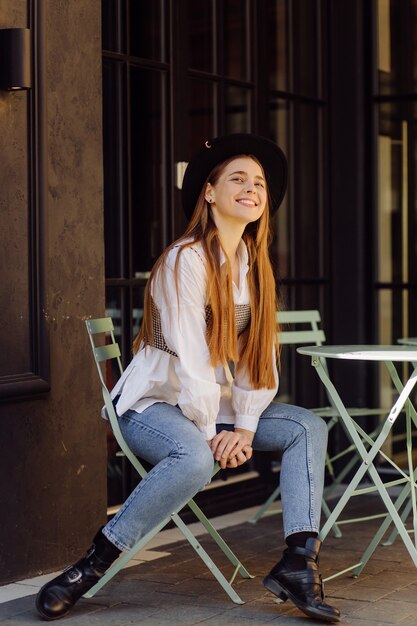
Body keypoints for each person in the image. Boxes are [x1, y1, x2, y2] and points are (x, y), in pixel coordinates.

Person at [36, 133, 340, 623]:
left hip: (212, 410)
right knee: (195, 457)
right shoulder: (185, 260)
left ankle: (298, 563)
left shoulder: (252, 265)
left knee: (308, 426)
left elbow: (256, 360)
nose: (251, 188)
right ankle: (90, 567)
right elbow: (192, 361)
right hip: (151, 406)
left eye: (258, 182)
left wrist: (242, 425)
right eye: (237, 178)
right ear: (209, 191)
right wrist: (212, 433)